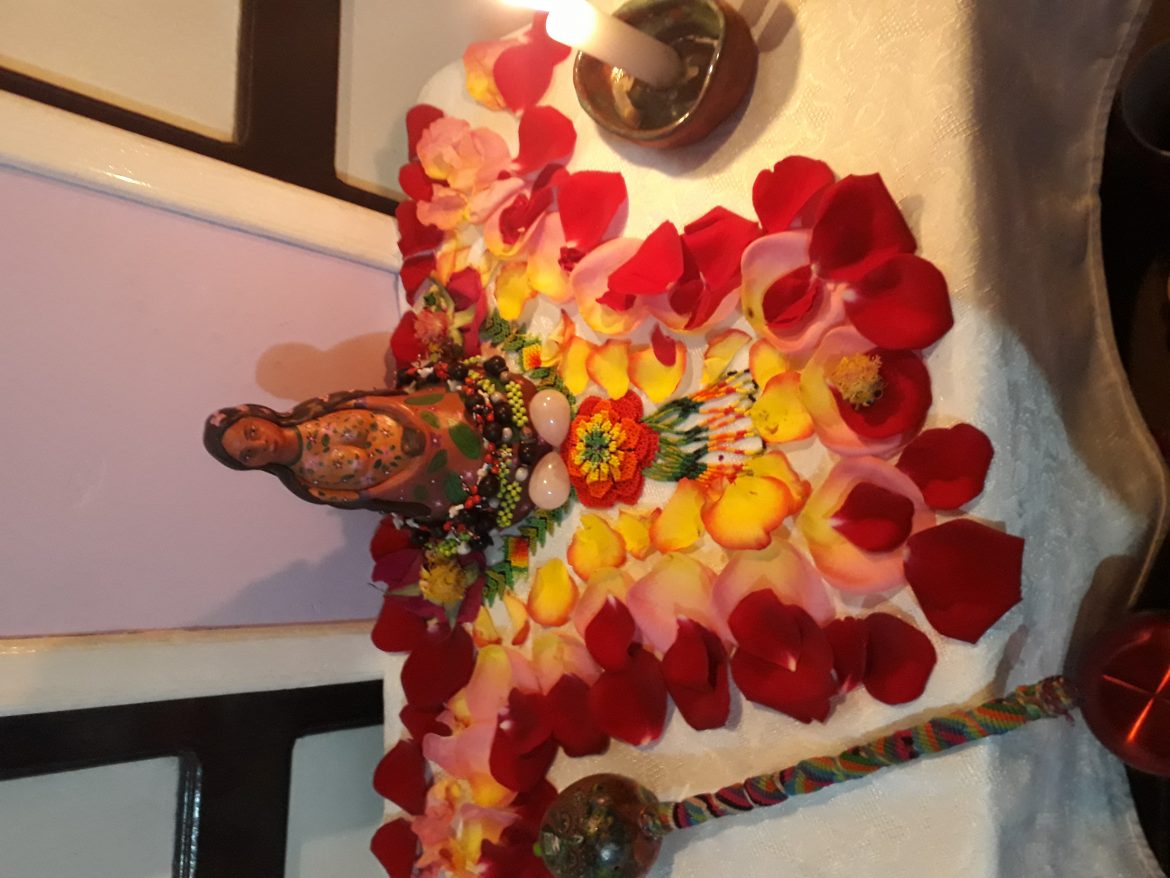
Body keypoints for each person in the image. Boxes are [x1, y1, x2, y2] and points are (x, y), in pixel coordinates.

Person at [204, 388, 485, 521]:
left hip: (430, 417)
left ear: (258, 415)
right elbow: (368, 495)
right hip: (429, 476)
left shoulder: (315, 410)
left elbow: (369, 402)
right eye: (249, 455)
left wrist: (406, 416)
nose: (262, 444)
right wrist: (410, 473)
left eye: (252, 432)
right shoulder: (306, 484)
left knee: (467, 418)